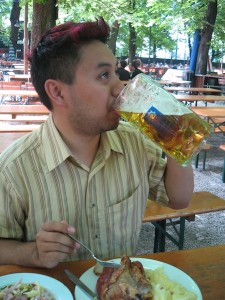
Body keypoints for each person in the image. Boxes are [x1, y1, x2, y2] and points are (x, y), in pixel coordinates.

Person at [0, 17, 194, 269]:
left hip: (121, 289)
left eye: (115, 72)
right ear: (57, 92)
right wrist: (32, 253)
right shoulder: (14, 169)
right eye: (104, 75)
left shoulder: (134, 142)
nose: (120, 87)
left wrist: (179, 141)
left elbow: (179, 199)